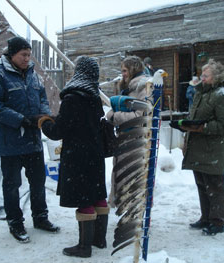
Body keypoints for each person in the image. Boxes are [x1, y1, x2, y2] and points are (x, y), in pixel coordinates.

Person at [0, 36, 59, 243]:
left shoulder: (33, 75)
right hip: (11, 142)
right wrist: (21, 120)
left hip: (33, 140)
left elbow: (42, 97)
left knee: (38, 182)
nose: (27, 59)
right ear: (12, 54)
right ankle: (15, 223)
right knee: (12, 185)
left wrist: (44, 116)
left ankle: (40, 218)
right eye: (23, 55)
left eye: (29, 54)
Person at [39, 56, 108, 258]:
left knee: (84, 198)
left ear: (79, 72)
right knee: (97, 195)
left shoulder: (72, 97)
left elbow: (59, 131)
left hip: (77, 156)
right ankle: (99, 239)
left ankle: (84, 247)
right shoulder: (94, 97)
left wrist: (44, 123)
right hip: (95, 154)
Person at [180, 59, 224, 235]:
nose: (201, 78)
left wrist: (202, 127)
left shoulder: (223, 95)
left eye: (206, 75)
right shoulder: (201, 94)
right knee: (202, 184)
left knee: (215, 186)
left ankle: (218, 221)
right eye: (201, 75)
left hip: (212, 149)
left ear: (216, 77)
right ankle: (206, 217)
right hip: (198, 147)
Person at [106, 55, 148, 208]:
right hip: (125, 138)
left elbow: (140, 115)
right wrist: (111, 114)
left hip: (134, 140)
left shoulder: (142, 87)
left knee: (131, 177)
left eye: (125, 70)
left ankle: (132, 212)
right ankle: (126, 210)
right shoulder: (129, 88)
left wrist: (115, 117)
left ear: (133, 69)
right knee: (124, 175)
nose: (122, 73)